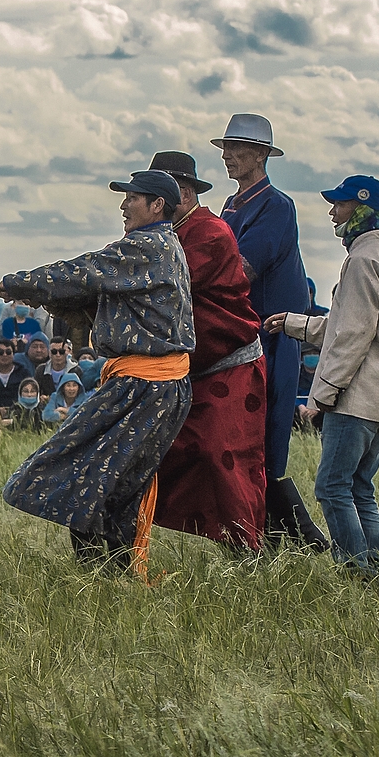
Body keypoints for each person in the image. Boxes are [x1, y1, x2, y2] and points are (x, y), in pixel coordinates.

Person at [0, 168, 195, 579]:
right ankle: (111, 577)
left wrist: (20, 285)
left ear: (157, 205)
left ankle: (104, 576)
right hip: (152, 385)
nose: (124, 206)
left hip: (145, 386)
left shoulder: (147, 247)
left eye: (132, 198)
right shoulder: (163, 246)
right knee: (114, 486)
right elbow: (100, 299)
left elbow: (82, 272)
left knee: (83, 476)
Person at [271, 175, 379, 575]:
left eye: (341, 204)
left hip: (355, 398)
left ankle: (356, 570)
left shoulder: (361, 260)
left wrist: (322, 395)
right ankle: (377, 569)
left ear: (361, 208)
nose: (334, 212)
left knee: (331, 488)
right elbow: (352, 325)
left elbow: (350, 334)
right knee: (360, 489)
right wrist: (295, 324)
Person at [149, 150, 280, 552]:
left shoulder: (208, 233)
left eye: (155, 197)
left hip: (231, 366)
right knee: (177, 452)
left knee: (226, 458)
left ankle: (250, 550)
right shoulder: (170, 235)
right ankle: (243, 540)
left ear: (183, 195)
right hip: (197, 369)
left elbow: (159, 284)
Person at [213, 112, 315, 546]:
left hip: (270, 336)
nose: (229, 157)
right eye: (226, 149)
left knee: (266, 437)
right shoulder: (232, 205)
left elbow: (240, 270)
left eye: (238, 149)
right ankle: (273, 534)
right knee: (244, 435)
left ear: (260, 155)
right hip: (243, 336)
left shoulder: (276, 205)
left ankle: (284, 535)